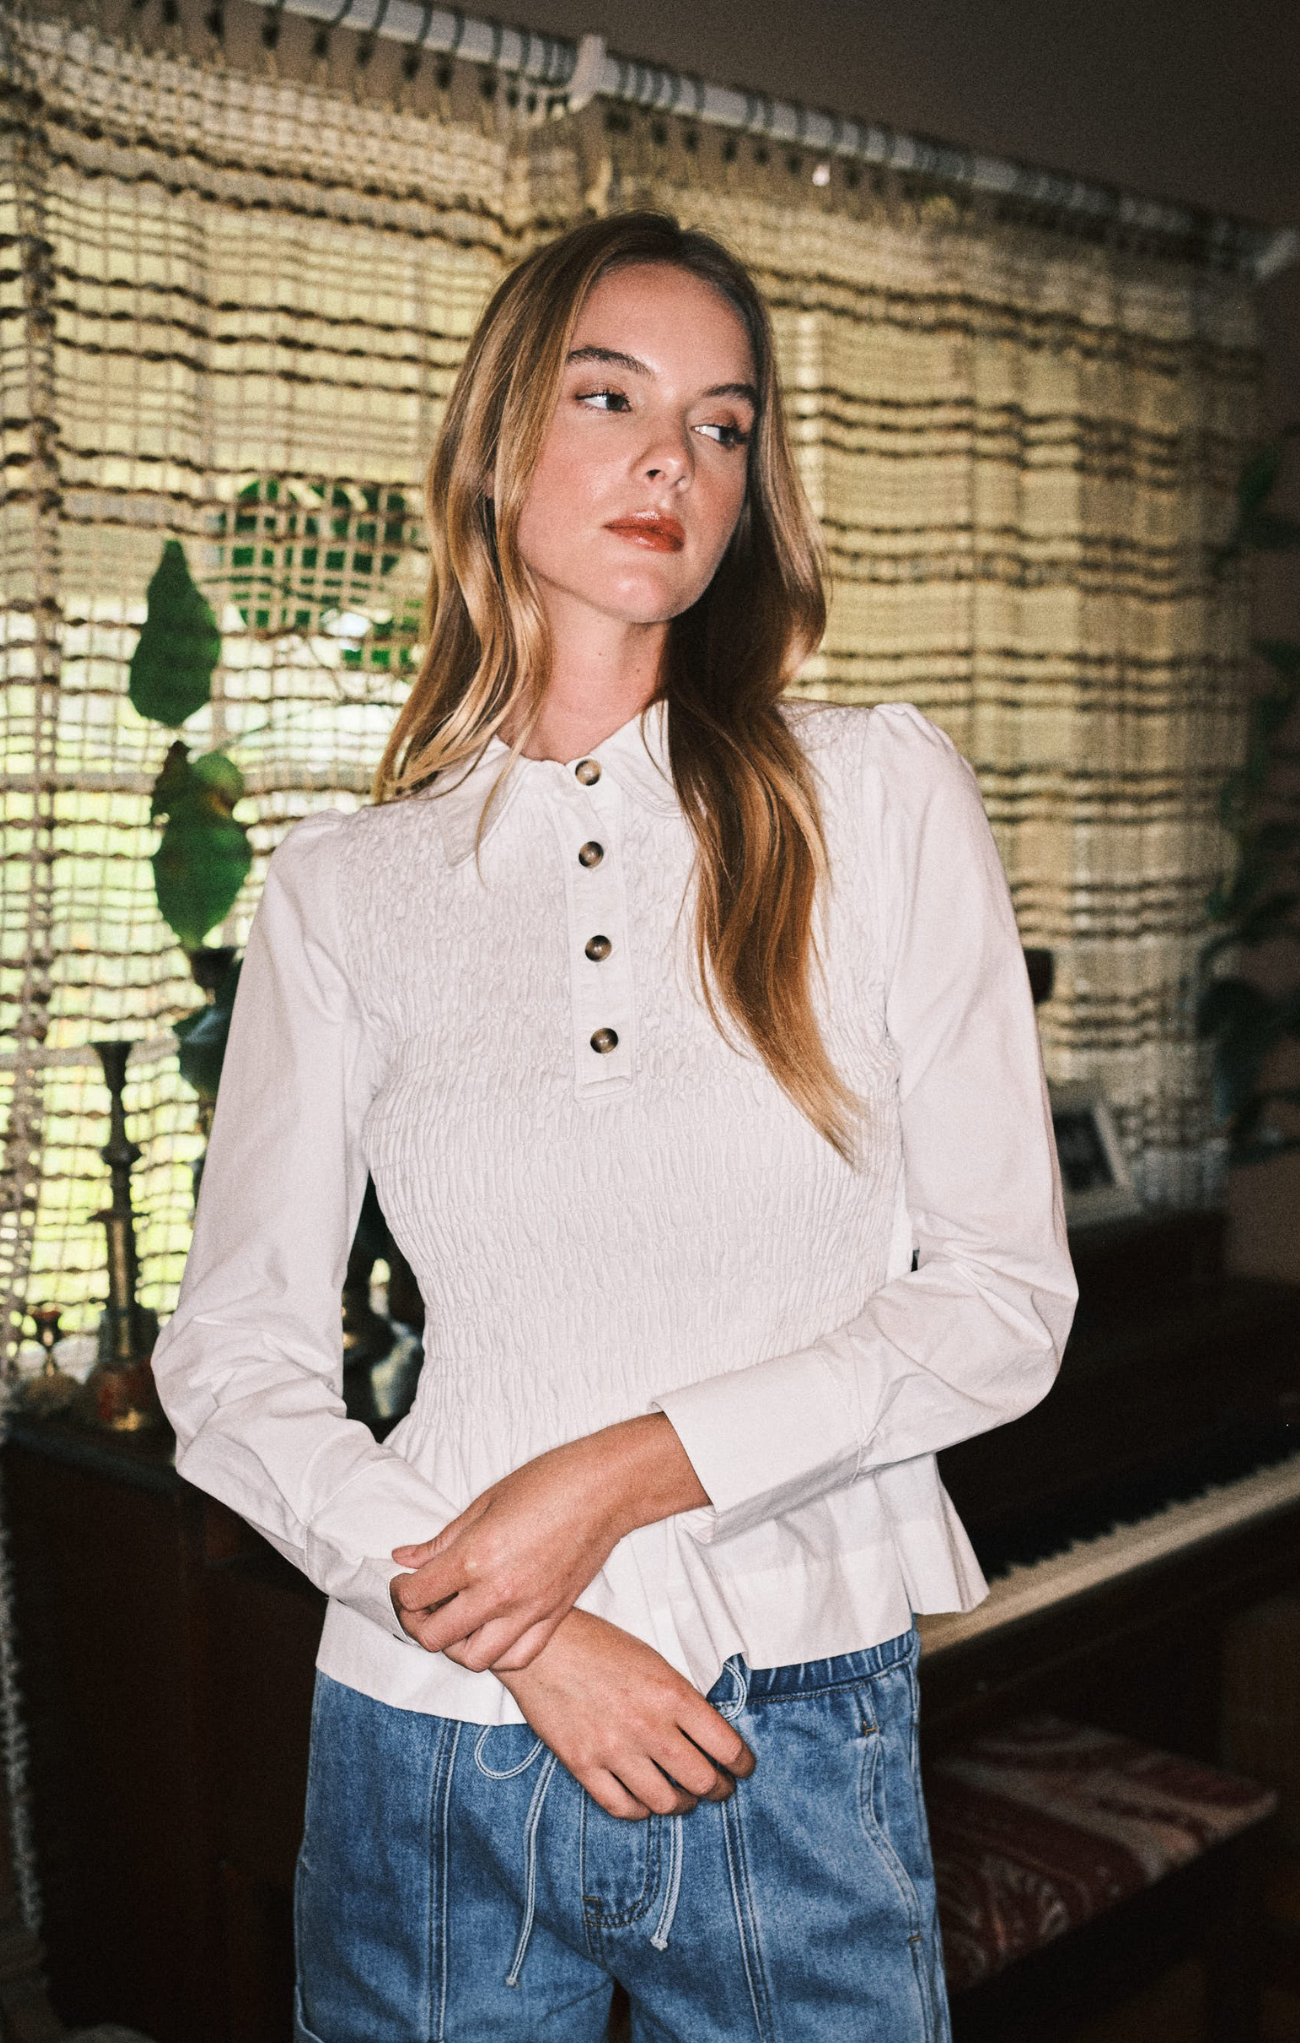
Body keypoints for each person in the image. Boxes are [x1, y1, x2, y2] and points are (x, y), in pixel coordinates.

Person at [152, 210, 1076, 2043]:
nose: (674, 454)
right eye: (612, 394)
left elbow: (998, 1303)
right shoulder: (345, 890)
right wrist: (524, 1625)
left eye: (724, 425)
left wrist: (611, 1475)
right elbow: (233, 1363)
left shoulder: (874, 798)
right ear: (503, 446)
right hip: (425, 1747)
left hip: (785, 1734)